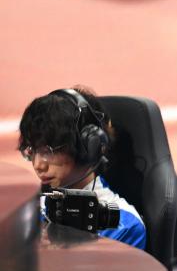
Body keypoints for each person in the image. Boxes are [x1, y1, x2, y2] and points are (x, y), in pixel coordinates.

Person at [18, 87, 147, 250]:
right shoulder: (31, 211)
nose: (38, 165)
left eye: (48, 151)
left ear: (89, 146)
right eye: (32, 150)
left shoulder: (124, 226)